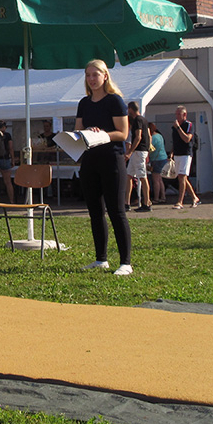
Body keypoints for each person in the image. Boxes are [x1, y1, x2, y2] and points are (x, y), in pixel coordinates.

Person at [76, 59, 133, 276]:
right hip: (90, 160)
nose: (91, 79)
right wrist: (86, 132)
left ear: (105, 76)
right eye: (88, 75)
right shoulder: (84, 102)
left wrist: (101, 134)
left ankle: (125, 262)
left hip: (112, 159)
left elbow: (123, 134)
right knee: (95, 212)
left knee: (116, 211)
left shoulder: (115, 101)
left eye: (95, 75)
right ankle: (101, 259)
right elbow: (78, 131)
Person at [170, 106, 201, 209]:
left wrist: (178, 127)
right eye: (176, 114)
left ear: (184, 115)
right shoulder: (174, 126)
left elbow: (187, 139)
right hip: (177, 153)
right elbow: (175, 140)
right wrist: (172, 152)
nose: (177, 116)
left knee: (182, 177)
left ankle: (180, 201)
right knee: (181, 177)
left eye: (179, 114)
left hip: (185, 153)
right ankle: (194, 197)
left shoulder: (188, 125)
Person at [125, 102, 152, 212]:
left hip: (138, 151)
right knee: (129, 175)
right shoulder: (144, 120)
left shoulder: (137, 120)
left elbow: (138, 136)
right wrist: (148, 151)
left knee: (142, 176)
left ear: (130, 109)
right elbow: (149, 135)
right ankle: (126, 202)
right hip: (141, 151)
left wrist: (130, 151)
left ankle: (147, 202)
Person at [147, 122, 168, 204]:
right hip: (163, 158)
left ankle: (156, 198)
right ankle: (163, 196)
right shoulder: (160, 136)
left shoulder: (153, 138)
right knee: (160, 180)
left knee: (155, 180)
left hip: (156, 160)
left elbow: (150, 149)